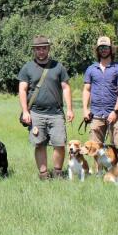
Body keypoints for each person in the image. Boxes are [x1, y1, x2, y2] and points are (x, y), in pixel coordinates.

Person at [18, 36, 74, 180]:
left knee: (60, 144)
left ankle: (57, 173)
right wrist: (25, 111)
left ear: (48, 49)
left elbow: (66, 88)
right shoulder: (27, 67)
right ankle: (43, 174)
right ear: (34, 50)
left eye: (44, 48)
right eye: (38, 49)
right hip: (36, 113)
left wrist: (69, 109)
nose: (41, 51)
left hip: (56, 113)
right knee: (39, 144)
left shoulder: (58, 66)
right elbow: (22, 89)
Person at [82, 36, 118, 151]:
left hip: (114, 115)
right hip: (96, 114)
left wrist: (115, 111)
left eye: (106, 47)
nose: (103, 50)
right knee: (94, 149)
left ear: (111, 49)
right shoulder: (91, 69)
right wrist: (85, 110)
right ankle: (99, 170)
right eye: (101, 47)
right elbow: (87, 90)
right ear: (97, 50)